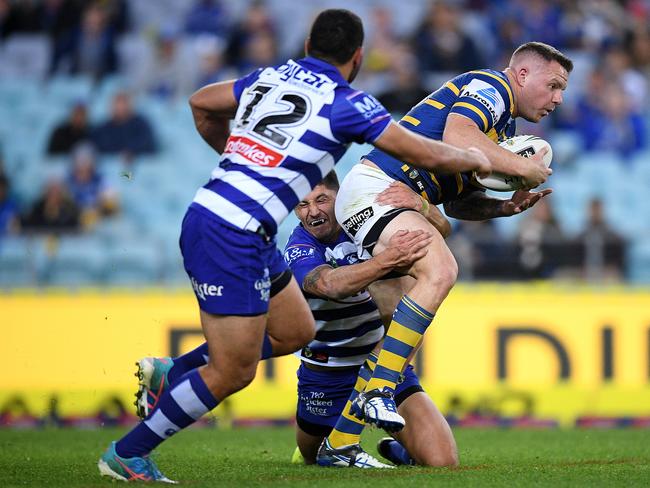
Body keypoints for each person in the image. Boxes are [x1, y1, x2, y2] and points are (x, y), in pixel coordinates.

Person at [97, 9, 489, 483]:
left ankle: (171, 370)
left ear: (308, 45)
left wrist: (241, 161)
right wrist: (475, 157)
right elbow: (418, 151)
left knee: (294, 331)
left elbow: (201, 103)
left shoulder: (270, 77)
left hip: (233, 221)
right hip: (232, 230)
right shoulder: (348, 102)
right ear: (358, 57)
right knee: (233, 370)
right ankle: (128, 452)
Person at [324, 41, 572, 459]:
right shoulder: (490, 87)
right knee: (441, 270)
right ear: (523, 74)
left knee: (403, 341)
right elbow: (460, 136)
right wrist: (522, 168)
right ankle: (378, 392)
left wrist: (502, 207)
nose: (558, 99)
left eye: (562, 91)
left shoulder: (503, 131)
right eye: (553, 85)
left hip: (392, 198)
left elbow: (455, 201)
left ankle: (342, 441)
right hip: (379, 190)